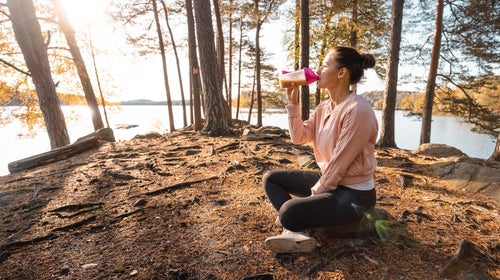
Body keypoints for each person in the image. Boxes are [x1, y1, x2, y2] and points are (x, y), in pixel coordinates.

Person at [263, 46, 379, 253]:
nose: (318, 70)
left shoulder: (358, 110)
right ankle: (295, 228)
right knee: (271, 179)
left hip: (354, 194)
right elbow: (299, 137)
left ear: (342, 73)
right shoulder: (324, 107)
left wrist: (311, 197)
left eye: (325, 65)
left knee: (289, 212)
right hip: (331, 182)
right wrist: (293, 105)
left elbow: (339, 165)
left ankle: (293, 223)